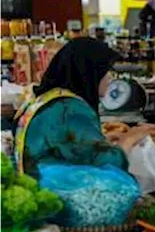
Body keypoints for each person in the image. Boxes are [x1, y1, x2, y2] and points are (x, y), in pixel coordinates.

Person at [13, 38, 144, 176]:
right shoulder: (71, 109)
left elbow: (65, 146)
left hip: (33, 187)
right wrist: (129, 140)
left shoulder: (42, 99)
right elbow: (105, 164)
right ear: (89, 72)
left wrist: (100, 141)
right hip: (56, 192)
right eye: (106, 70)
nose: (110, 77)